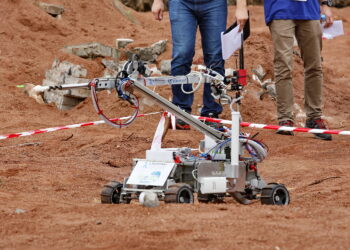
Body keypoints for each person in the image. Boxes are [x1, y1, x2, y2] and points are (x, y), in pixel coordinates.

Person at [152, 0, 248, 130]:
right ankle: (181, 110)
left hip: (215, 3)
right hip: (181, 3)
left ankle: (211, 112)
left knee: (215, 56)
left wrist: (241, 6)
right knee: (182, 53)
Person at [264, 0, 334, 140]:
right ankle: (285, 119)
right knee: (283, 66)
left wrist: (325, 4)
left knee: (315, 66)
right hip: (279, 9)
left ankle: (314, 118)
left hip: (310, 10)